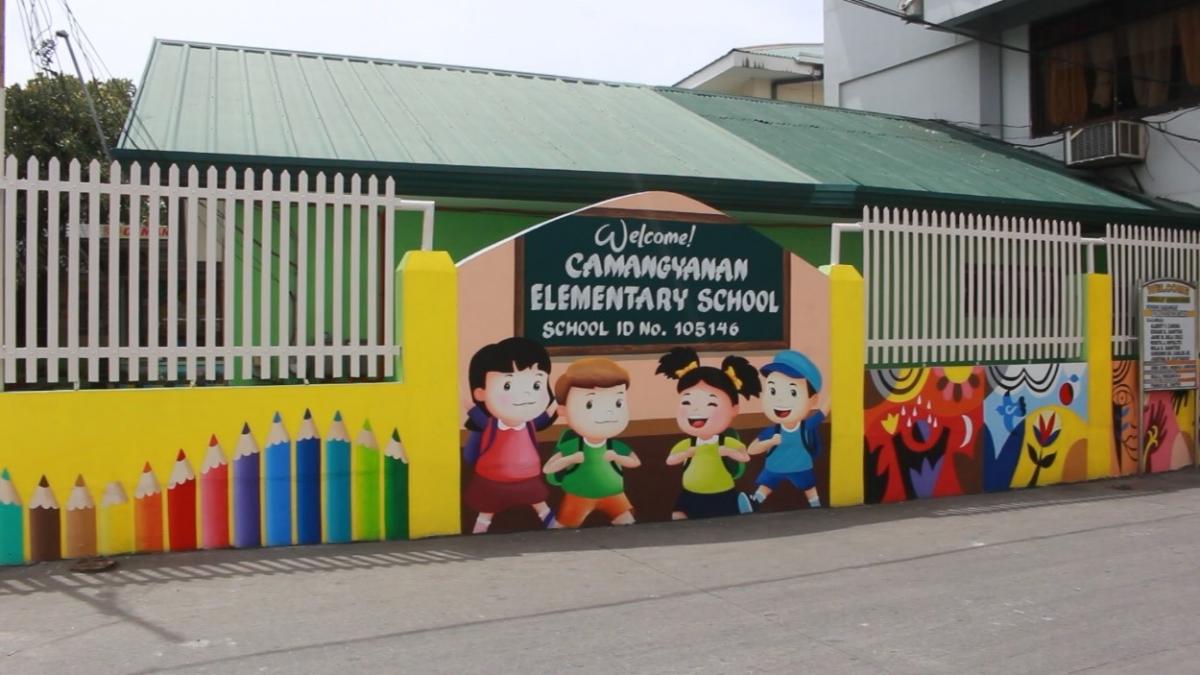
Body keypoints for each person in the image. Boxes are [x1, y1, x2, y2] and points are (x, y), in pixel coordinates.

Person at [462, 337, 557, 533]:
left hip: (528, 479)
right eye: (507, 386)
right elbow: (470, 406)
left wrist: (560, 402)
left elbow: (547, 415)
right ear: (480, 393)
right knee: (486, 509)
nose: (526, 395)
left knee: (539, 503)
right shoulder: (490, 426)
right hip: (492, 480)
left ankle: (553, 525)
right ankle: (478, 532)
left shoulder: (529, 424)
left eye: (536, 385)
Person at [656, 346, 761, 519]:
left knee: (725, 519)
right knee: (678, 515)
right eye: (687, 402)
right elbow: (670, 460)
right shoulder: (687, 444)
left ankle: (742, 504)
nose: (696, 410)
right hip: (691, 493)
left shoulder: (725, 442)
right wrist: (685, 454)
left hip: (722, 492)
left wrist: (729, 452)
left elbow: (745, 457)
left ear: (734, 409)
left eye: (711, 404)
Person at [543, 358, 641, 527]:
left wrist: (617, 457)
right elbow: (548, 468)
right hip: (578, 497)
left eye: (618, 403)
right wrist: (570, 459)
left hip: (614, 495)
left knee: (628, 525)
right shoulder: (572, 445)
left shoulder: (614, 446)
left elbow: (635, 462)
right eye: (590, 404)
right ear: (563, 410)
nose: (608, 412)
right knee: (562, 532)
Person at [746, 350, 828, 509]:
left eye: (792, 392)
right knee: (766, 484)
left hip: (800, 467)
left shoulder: (806, 426)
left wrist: (837, 393)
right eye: (773, 391)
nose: (780, 399)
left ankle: (816, 506)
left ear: (812, 400)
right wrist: (769, 442)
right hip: (775, 467)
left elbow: (823, 412)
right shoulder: (773, 430)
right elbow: (752, 449)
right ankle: (755, 501)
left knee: (809, 487)